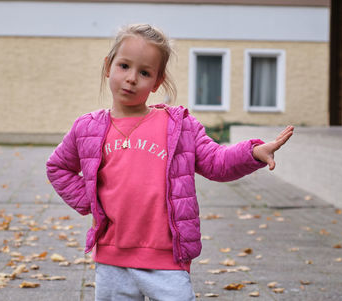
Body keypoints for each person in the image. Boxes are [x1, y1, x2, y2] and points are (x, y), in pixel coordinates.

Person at [46, 23, 294, 301]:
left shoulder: (178, 126)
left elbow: (216, 162)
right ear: (108, 67)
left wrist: (253, 152)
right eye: (124, 66)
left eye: (144, 72)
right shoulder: (87, 128)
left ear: (157, 81)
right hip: (112, 257)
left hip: (166, 259)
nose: (131, 78)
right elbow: (58, 167)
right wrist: (90, 201)